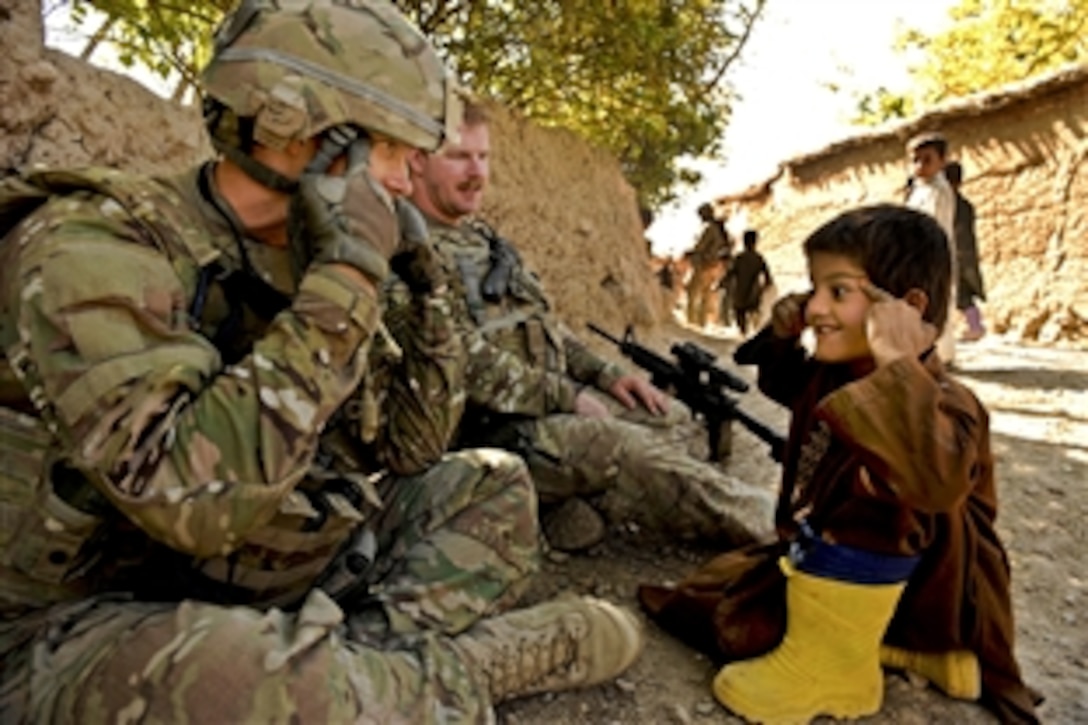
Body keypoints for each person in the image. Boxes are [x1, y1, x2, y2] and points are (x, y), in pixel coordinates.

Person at [0, 2, 643, 721]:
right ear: (307, 136)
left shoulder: (322, 250)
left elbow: (414, 446)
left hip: (259, 570)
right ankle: (442, 675)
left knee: (493, 483)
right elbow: (196, 505)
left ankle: (356, 674)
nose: (409, 183)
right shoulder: (89, 248)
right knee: (228, 676)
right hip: (73, 621)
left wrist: (422, 285)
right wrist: (341, 289)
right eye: (401, 154)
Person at [639, 205, 1039, 723]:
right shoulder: (838, 375)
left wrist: (897, 362)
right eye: (813, 290)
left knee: (750, 627)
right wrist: (783, 335)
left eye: (838, 291)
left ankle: (834, 669)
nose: (816, 308)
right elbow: (786, 387)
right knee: (711, 596)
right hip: (888, 593)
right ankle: (914, 649)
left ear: (907, 310)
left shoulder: (944, 401)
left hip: (943, 593)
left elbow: (930, 483)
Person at [406, 101, 775, 552]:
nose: (477, 172)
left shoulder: (484, 239)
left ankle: (573, 510)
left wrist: (607, 375)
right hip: (481, 440)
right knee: (621, 445)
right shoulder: (410, 252)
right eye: (460, 157)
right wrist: (568, 396)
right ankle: (776, 528)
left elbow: (544, 328)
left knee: (669, 418)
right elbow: (460, 361)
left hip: (539, 413)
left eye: (483, 157)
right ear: (418, 161)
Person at [904, 131, 958, 365]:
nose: (920, 166)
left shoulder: (939, 190)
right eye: (915, 160)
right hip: (918, 253)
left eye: (927, 160)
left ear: (942, 161)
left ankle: (941, 356)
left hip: (932, 251)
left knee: (937, 303)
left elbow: (929, 223)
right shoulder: (919, 188)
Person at [945, 161, 987, 341]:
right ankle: (974, 326)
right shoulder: (964, 205)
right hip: (962, 254)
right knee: (962, 295)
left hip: (956, 254)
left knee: (961, 295)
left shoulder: (953, 205)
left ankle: (975, 327)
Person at [686, 202, 733, 327]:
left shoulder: (709, 229)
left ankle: (691, 322)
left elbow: (700, 247)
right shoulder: (719, 229)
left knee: (692, 292)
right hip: (714, 265)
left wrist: (691, 253)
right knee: (706, 295)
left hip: (703, 265)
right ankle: (701, 322)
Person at [723, 229, 773, 335]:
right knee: (753, 312)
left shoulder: (740, 258)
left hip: (740, 292)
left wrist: (721, 283)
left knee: (739, 313)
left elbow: (730, 273)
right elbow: (768, 277)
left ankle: (744, 333)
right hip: (753, 293)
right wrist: (765, 287)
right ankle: (753, 333)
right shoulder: (758, 258)